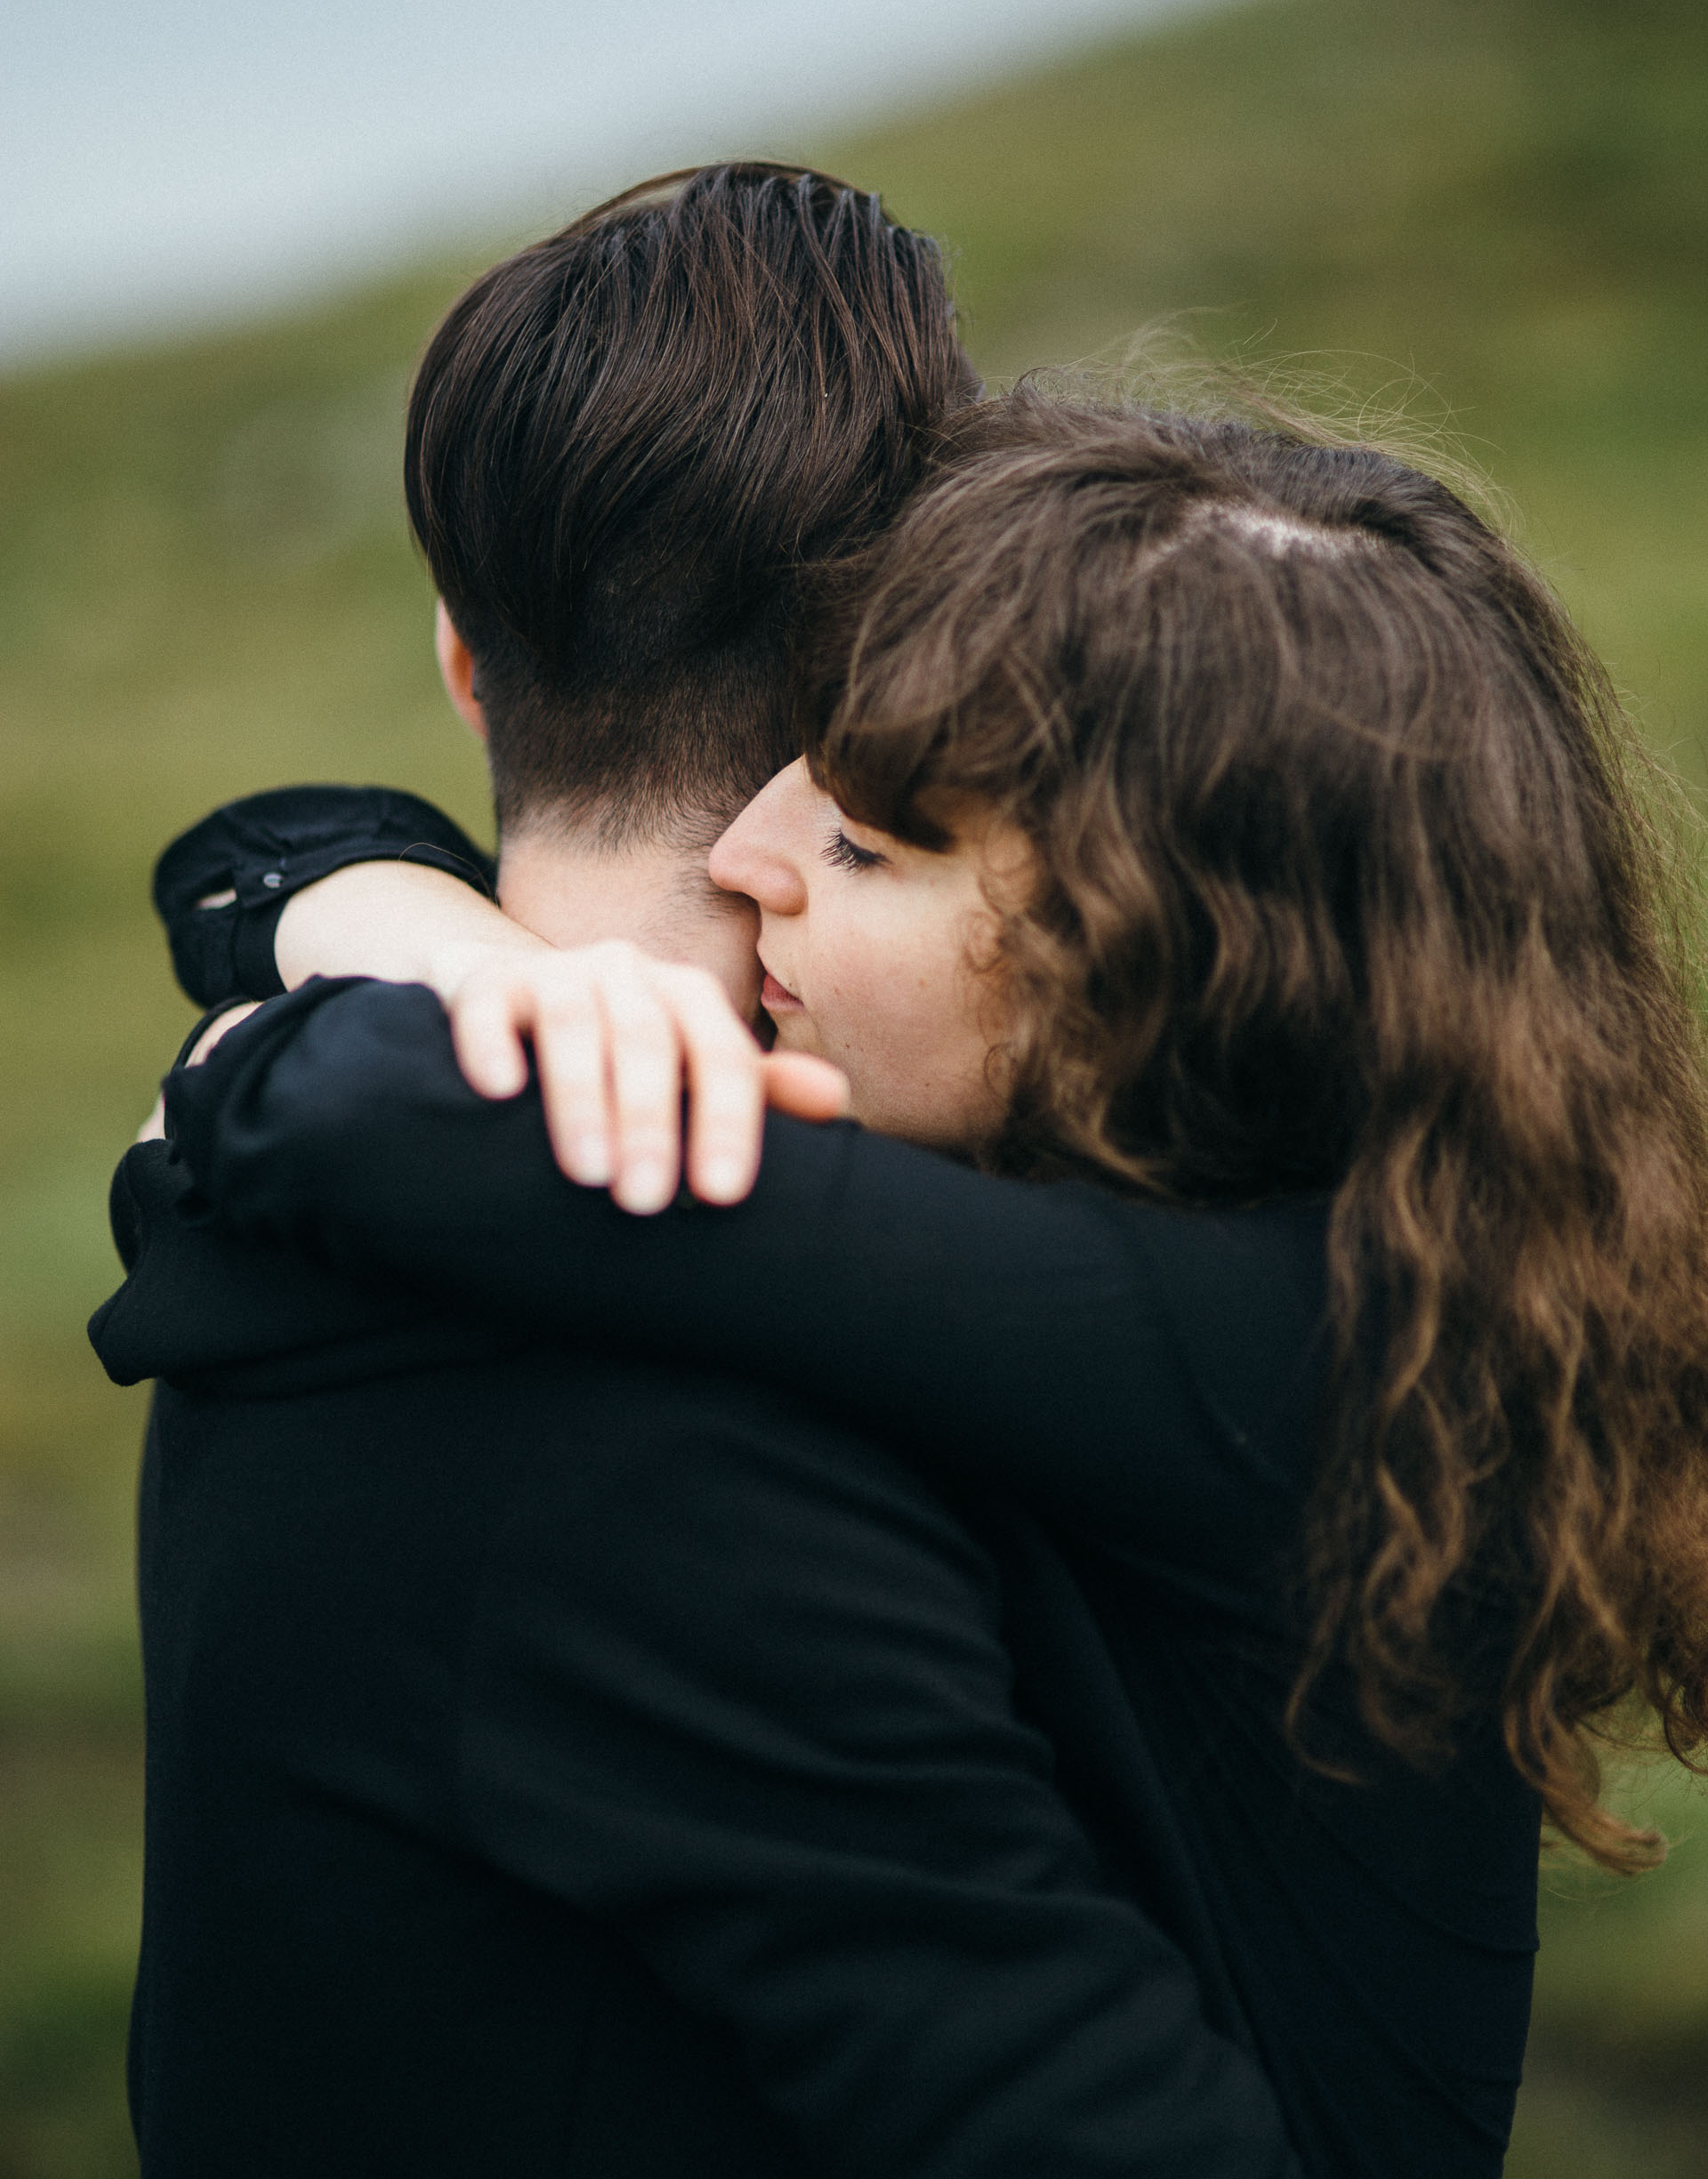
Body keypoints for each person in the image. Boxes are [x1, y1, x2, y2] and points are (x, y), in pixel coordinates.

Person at [129, 391, 1708, 2178]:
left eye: (875, 843)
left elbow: (365, 1124)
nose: (747, 857)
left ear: (1155, 979)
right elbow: (269, 855)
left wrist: (266, 1035)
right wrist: (381, 909)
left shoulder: (1266, 1343)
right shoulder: (1383, 1237)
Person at [99, 176, 1303, 2179]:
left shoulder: (329, 1167)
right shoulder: (675, 1423)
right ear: (917, 644)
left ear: (465, 665)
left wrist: (338, 915)